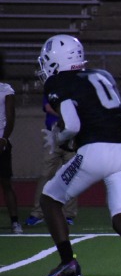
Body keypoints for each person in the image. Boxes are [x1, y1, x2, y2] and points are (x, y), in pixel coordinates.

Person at [35, 34, 121, 276]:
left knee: (49, 198)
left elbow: (72, 125)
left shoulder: (59, 82)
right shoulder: (102, 75)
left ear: (56, 61)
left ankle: (68, 261)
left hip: (95, 150)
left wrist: (60, 138)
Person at [24, 95, 78, 227]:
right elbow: (48, 107)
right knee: (45, 174)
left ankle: (68, 214)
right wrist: (67, 116)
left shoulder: (76, 89)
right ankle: (38, 212)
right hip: (53, 136)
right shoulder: (52, 88)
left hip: (72, 137)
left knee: (70, 176)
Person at [0, 80, 22, 234]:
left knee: (5, 182)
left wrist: (4, 139)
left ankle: (15, 222)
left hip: (1, 142)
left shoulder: (6, 89)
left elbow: (10, 117)